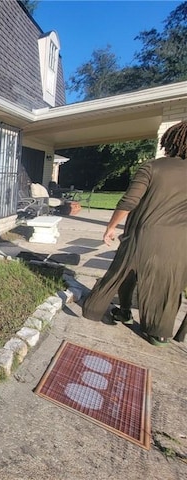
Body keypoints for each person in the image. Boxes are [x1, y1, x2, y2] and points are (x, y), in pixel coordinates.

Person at [82, 120, 187, 346]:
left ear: (170, 140)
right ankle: (158, 333)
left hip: (143, 236)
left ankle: (103, 310)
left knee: (122, 272)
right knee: (166, 285)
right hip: (180, 244)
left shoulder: (153, 167)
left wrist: (111, 227)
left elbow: (129, 201)